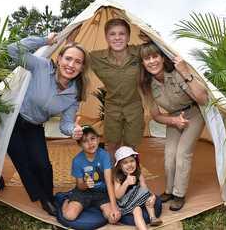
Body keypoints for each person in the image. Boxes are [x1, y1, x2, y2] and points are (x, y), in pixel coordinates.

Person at [6, 33, 89, 216]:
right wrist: (44, 40)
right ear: (59, 59)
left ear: (82, 68)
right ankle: (44, 199)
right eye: (68, 58)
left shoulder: (74, 93)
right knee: (23, 162)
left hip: (34, 125)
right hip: (13, 120)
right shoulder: (41, 66)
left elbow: (66, 123)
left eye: (77, 62)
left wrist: (73, 131)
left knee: (43, 164)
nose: (71, 65)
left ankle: (48, 197)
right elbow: (12, 50)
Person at [139, 43, 208, 211]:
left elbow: (203, 99)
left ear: (163, 58)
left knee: (182, 153)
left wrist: (185, 72)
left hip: (193, 114)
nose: (152, 61)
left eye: (155, 56)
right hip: (173, 118)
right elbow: (155, 115)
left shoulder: (177, 74)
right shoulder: (146, 85)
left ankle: (179, 194)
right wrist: (174, 121)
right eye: (147, 58)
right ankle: (169, 191)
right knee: (169, 155)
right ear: (143, 63)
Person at [89, 18, 147, 157]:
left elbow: (159, 51)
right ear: (106, 37)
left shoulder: (139, 52)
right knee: (111, 144)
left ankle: (129, 176)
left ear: (128, 37)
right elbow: (75, 55)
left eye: (122, 34)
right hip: (112, 106)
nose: (117, 38)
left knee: (130, 146)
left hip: (134, 106)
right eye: (112, 34)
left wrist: (149, 37)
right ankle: (111, 176)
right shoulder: (96, 57)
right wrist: (71, 37)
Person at [62, 125, 121, 224]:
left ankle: (102, 207)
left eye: (92, 139)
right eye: (85, 141)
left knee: (113, 218)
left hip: (102, 192)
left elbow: (109, 183)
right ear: (80, 144)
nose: (90, 143)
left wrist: (114, 207)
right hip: (83, 192)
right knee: (69, 216)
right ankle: (66, 201)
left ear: (98, 139)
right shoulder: (77, 160)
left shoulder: (104, 155)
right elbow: (80, 186)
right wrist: (85, 185)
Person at [114, 146, 163, 229]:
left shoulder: (138, 173)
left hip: (136, 197)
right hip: (125, 203)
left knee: (148, 198)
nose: (129, 164)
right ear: (119, 166)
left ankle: (153, 218)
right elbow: (117, 195)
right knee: (137, 210)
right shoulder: (118, 177)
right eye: (125, 163)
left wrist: (152, 196)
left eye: (132, 161)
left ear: (136, 161)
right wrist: (126, 183)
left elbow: (144, 188)